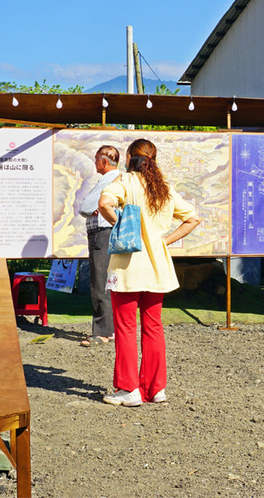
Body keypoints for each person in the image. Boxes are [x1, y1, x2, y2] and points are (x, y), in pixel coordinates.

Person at [98, 139, 200, 407]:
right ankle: (155, 389)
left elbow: (105, 203)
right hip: (157, 266)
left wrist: (122, 225)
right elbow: (193, 218)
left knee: (125, 327)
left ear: (129, 157)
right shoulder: (164, 188)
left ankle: (128, 389)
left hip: (128, 265)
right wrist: (164, 241)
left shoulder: (125, 181)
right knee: (153, 326)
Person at [78, 145, 121, 346]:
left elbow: (86, 206)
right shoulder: (121, 179)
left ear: (104, 161)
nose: (95, 164)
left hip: (102, 234)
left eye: (96, 160)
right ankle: (110, 329)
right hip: (109, 233)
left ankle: (104, 332)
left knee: (100, 281)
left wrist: (96, 207)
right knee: (107, 282)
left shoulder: (108, 180)